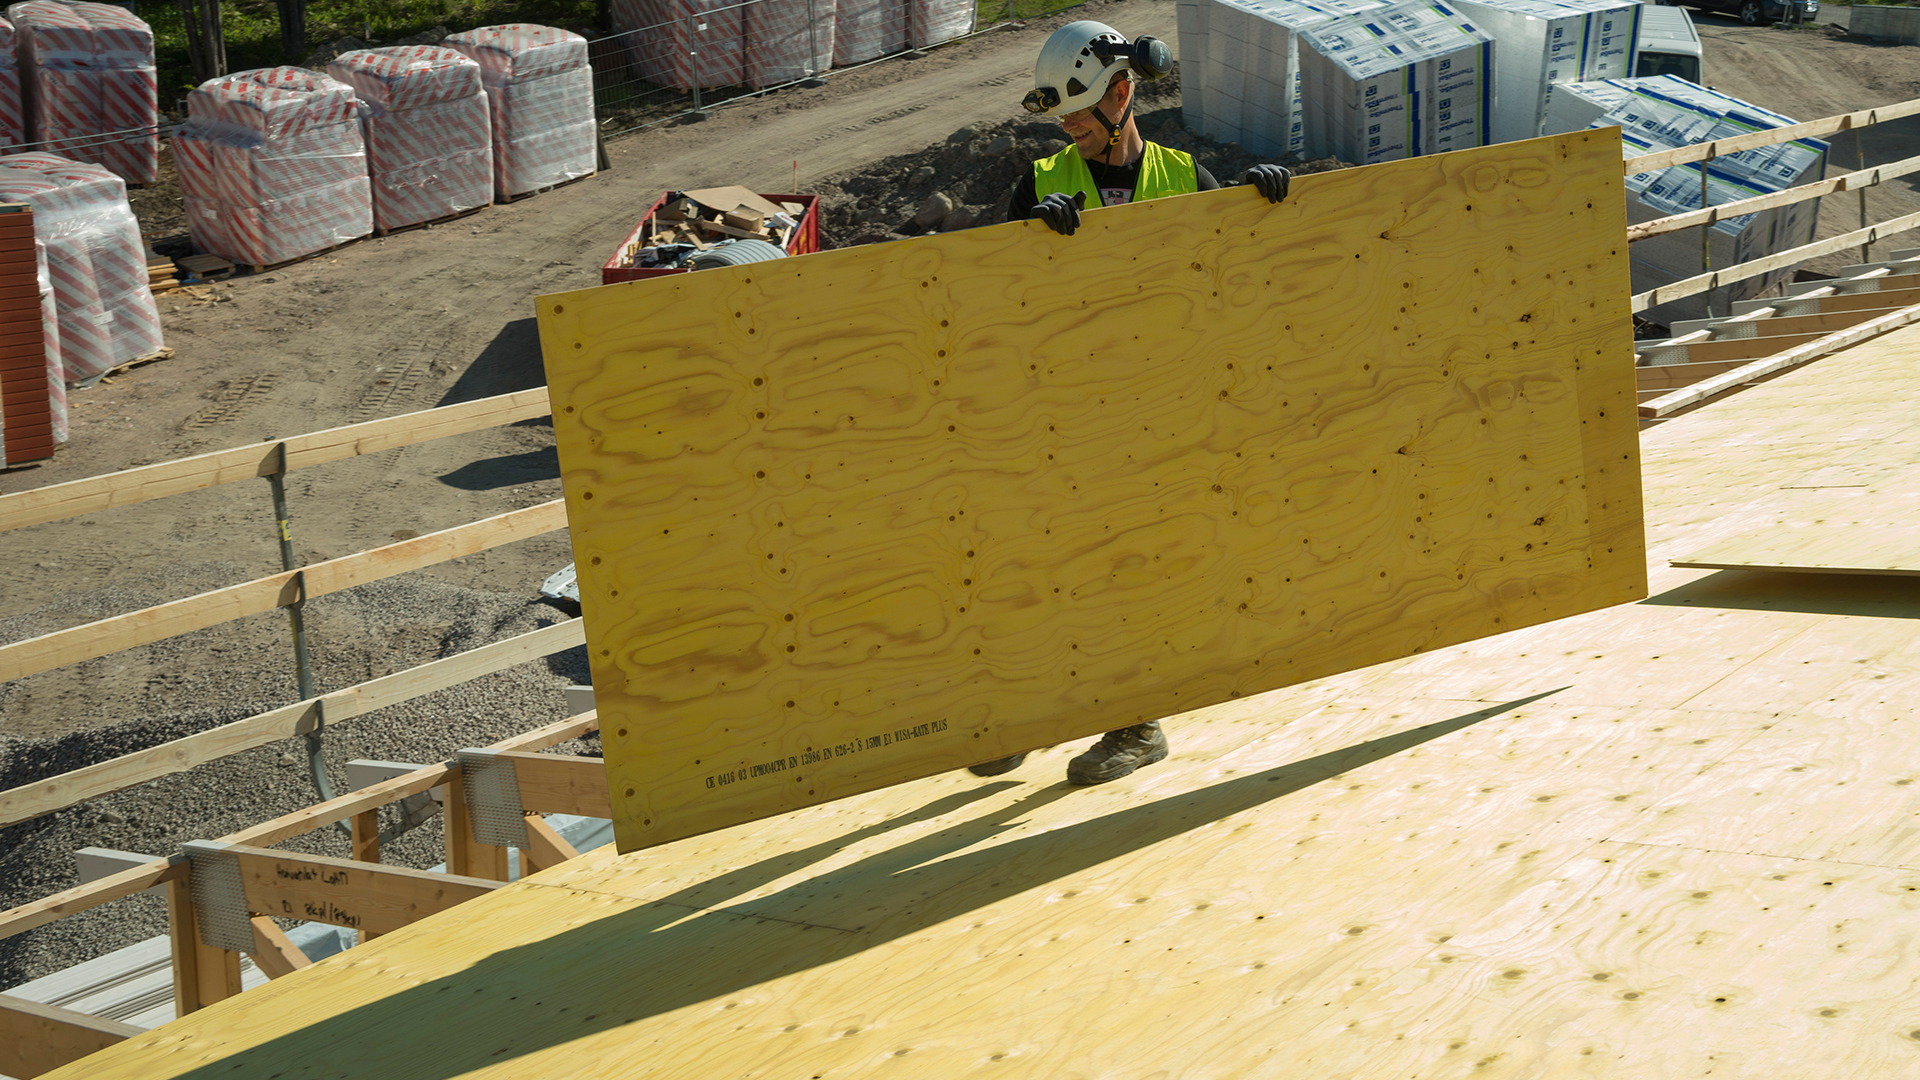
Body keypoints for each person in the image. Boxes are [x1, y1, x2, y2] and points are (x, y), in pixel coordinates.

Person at [970, 21, 1294, 787]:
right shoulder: (1041, 183)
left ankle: (1135, 724)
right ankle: (1034, 713)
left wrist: (1267, 213)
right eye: (1063, 119)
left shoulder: (1190, 179)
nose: (1070, 129)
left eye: (1080, 113)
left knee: (1131, 571)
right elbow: (991, 299)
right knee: (1039, 565)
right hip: (1062, 418)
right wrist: (1031, 243)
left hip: (1160, 421)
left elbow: (1241, 291)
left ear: (1123, 92)